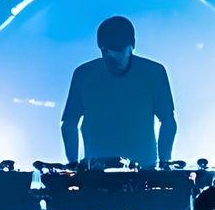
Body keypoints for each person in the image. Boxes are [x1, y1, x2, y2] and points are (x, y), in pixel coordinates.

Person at [60, 14, 176, 166]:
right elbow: (168, 121)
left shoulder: (84, 74)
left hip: (104, 166)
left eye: (118, 50)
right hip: (138, 166)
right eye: (109, 50)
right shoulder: (154, 72)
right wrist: (164, 162)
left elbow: (69, 123)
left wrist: (73, 163)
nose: (114, 56)